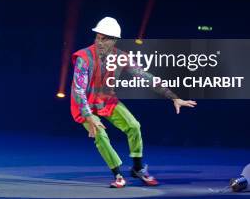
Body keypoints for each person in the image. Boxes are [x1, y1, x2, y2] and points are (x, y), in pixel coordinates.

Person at [70, 17, 197, 188]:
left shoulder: (121, 57)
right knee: (100, 134)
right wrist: (89, 117)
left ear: (114, 40)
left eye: (105, 38)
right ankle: (118, 175)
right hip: (85, 105)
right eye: (98, 37)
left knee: (134, 126)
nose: (100, 42)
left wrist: (173, 96)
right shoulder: (83, 57)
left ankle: (137, 168)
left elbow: (144, 76)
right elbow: (78, 90)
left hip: (107, 101)